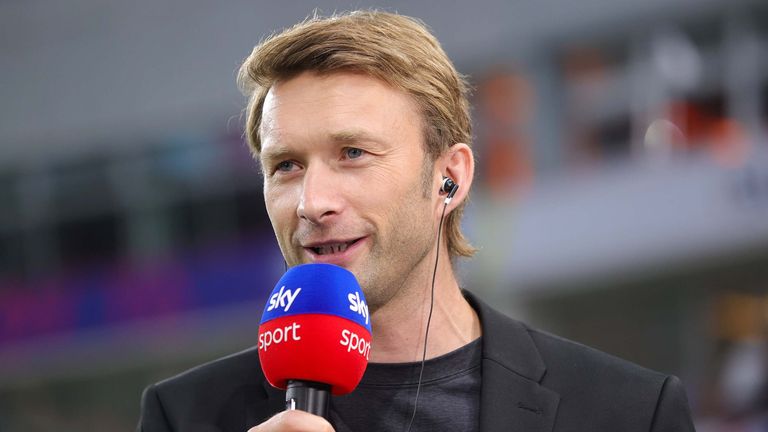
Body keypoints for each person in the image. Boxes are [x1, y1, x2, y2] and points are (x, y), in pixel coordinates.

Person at [137, 10, 695, 432]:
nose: (311, 201)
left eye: (352, 153)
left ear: (448, 177)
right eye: (285, 165)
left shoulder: (628, 411)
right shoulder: (186, 416)